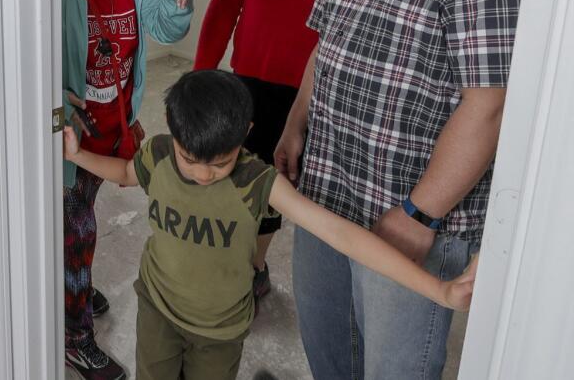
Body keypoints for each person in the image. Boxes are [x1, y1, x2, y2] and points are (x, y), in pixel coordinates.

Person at [274, 0, 528, 379]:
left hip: (408, 221)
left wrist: (419, 215)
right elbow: (325, 48)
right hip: (326, 200)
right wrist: (294, 126)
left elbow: (489, 107)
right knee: (329, 356)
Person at [62, 69, 477, 380]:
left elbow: (340, 233)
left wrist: (438, 289)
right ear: (172, 132)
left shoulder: (256, 181)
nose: (204, 175)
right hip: (157, 309)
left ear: (245, 134)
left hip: (220, 332)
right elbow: (122, 173)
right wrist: (77, 155)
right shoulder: (157, 154)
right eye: (190, 160)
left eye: (220, 162)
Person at [193, 0, 372, 302]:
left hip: (324, 92)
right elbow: (223, 5)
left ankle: (276, 272)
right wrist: (201, 77)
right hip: (252, 85)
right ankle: (244, 264)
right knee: (247, 184)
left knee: (299, 190)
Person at [60, 0, 196, 380]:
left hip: (114, 131)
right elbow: (27, 57)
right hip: (71, 142)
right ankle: (75, 338)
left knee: (79, 226)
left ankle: (71, 286)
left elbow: (164, 27)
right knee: (77, 232)